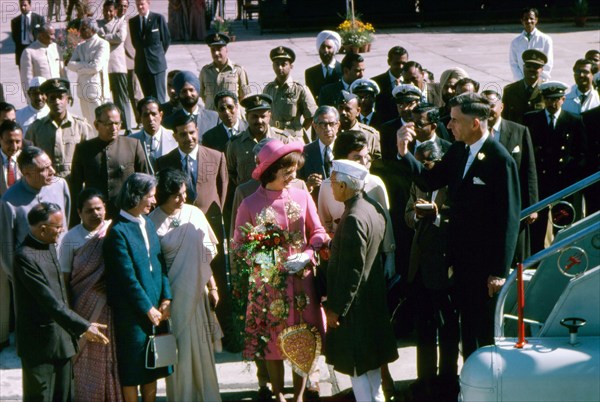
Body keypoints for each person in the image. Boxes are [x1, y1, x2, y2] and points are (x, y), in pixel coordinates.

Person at [396, 92, 521, 359]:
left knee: (484, 334)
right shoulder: (459, 150)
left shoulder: (500, 161)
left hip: (484, 267)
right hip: (460, 262)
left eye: (455, 120)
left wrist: (498, 272)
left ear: (475, 123)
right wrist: (404, 154)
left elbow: (508, 219)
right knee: (467, 332)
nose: (448, 126)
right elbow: (430, 181)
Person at [233, 139, 328, 402]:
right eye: (288, 171)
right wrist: (265, 258)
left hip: (301, 281)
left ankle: (298, 396)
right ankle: (278, 394)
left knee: (302, 338)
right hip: (269, 285)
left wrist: (308, 254)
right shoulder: (249, 204)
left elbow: (318, 231)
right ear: (272, 169)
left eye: (295, 170)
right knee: (272, 341)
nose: (293, 176)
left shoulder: (301, 195)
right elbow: (239, 246)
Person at [14, 202, 109, 402]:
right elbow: (49, 301)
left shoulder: (49, 245)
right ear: (42, 229)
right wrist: (84, 326)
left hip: (62, 340)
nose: (61, 231)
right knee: (41, 396)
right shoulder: (24, 256)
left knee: (65, 396)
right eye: (58, 227)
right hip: (39, 345)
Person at [325, 159, 398, 402]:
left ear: (345, 186)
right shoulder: (372, 207)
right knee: (373, 370)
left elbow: (351, 272)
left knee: (358, 371)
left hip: (355, 310)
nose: (331, 186)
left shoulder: (354, 217)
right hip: (373, 304)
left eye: (334, 182)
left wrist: (336, 309)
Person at [149, 168, 222, 402]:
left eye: (184, 193)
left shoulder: (194, 213)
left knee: (201, 349)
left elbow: (205, 255)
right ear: (163, 196)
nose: (183, 199)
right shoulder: (151, 222)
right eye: (176, 195)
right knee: (179, 351)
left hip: (198, 293)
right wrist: (163, 299)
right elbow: (154, 266)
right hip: (172, 297)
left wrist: (213, 287)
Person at [103, 173, 173, 402]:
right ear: (135, 196)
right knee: (133, 370)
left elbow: (160, 263)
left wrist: (166, 299)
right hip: (133, 314)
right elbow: (126, 278)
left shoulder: (148, 224)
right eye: (150, 197)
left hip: (155, 309)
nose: (154, 202)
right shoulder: (118, 231)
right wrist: (147, 308)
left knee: (152, 366)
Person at [403, 141, 459, 401]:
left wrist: (436, 214)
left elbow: (460, 217)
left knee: (447, 327)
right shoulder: (418, 183)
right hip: (420, 266)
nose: (422, 169)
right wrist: (416, 215)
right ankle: (424, 379)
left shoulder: (452, 184)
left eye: (426, 163)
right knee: (423, 327)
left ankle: (447, 379)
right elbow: (406, 213)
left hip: (444, 267)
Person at [58, 189, 123, 401]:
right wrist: (70, 314)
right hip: (82, 306)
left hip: (110, 305)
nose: (95, 214)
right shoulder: (70, 238)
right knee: (85, 357)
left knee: (110, 355)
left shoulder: (113, 230)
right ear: (79, 212)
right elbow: (65, 279)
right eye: (89, 210)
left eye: (99, 209)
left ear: (105, 208)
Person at [523, 82, 587, 254]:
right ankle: (535, 261)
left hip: (563, 182)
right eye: (549, 100)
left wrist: (572, 174)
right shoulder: (531, 120)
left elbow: (581, 152)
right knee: (537, 226)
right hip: (540, 181)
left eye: (557, 99)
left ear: (563, 99)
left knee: (563, 224)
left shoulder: (573, 120)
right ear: (543, 99)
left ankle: (565, 257)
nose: (552, 104)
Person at [483, 89, 538, 262]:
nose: (488, 110)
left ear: (502, 106)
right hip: (486, 204)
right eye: (483, 106)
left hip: (515, 204)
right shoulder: (475, 132)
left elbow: (529, 170)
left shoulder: (519, 131)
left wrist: (533, 206)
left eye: (492, 105)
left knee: (517, 253)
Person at [70, 103, 149, 223]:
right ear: (96, 125)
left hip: (127, 214)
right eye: (109, 124)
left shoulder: (133, 145)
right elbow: (75, 187)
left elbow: (145, 182)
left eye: (117, 123)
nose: (114, 128)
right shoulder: (84, 149)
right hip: (96, 217)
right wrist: (75, 221)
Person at [0, 147, 71, 280]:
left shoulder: (61, 185)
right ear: (26, 173)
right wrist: (18, 280)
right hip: (32, 275)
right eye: (44, 169)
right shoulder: (9, 202)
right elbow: (6, 249)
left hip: (63, 268)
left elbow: (65, 225)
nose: (52, 171)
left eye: (51, 166)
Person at [26, 78, 94, 179]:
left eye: (60, 97)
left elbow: (91, 157)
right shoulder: (36, 128)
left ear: (68, 99)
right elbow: (28, 157)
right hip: (46, 181)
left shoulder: (81, 126)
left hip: (75, 181)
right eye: (52, 98)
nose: (57, 102)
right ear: (46, 100)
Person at [226, 94, 291, 188]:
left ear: (270, 116)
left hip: (275, 197)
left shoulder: (283, 139)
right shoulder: (235, 143)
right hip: (247, 198)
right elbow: (231, 172)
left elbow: (292, 168)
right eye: (254, 117)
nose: (259, 121)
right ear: (246, 117)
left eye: (263, 116)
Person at [263, 46, 317, 142]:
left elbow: (311, 115)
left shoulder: (300, 89)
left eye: (284, 64)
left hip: (293, 137)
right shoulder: (268, 89)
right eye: (276, 64)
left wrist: (300, 132)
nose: (280, 68)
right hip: (273, 136)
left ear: (291, 66)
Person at [67, 18, 111, 125]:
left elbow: (96, 67)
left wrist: (80, 68)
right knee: (87, 123)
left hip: (96, 91)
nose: (80, 32)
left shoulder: (102, 44)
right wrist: (86, 67)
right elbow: (70, 64)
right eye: (80, 29)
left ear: (92, 29)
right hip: (82, 90)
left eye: (83, 29)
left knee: (99, 122)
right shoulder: (80, 46)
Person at [98, 0, 132, 133]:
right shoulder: (98, 24)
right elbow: (96, 35)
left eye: (111, 11)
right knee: (103, 98)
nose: (108, 13)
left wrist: (103, 36)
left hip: (117, 66)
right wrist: (110, 37)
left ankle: (127, 126)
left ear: (115, 11)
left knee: (122, 98)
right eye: (105, 10)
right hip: (102, 67)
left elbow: (120, 37)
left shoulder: (121, 22)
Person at [129, 0, 171, 103]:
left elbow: (166, 40)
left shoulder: (158, 18)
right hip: (141, 66)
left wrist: (157, 55)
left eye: (142, 4)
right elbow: (135, 43)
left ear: (148, 4)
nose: (140, 7)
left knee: (159, 99)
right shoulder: (133, 22)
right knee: (148, 100)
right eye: (138, 4)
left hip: (156, 65)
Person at [298, 105, 339, 202]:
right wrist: (308, 184)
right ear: (315, 126)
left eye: (332, 124)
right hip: (316, 205)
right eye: (323, 124)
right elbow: (297, 186)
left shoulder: (346, 149)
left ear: (338, 125)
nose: (328, 128)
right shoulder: (305, 152)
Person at [199, 33, 250, 111]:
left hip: (232, 116)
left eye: (219, 49)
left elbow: (243, 96)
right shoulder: (205, 71)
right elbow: (202, 95)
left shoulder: (238, 70)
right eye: (213, 50)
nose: (216, 53)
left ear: (226, 50)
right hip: (212, 116)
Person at [130, 96, 177, 175]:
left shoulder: (174, 137)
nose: (150, 119)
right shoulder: (132, 141)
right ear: (140, 117)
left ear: (161, 115)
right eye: (146, 115)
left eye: (154, 114)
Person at [166, 71, 219, 138]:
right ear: (178, 94)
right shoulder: (169, 122)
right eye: (184, 91)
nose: (188, 94)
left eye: (191, 90)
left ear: (197, 91)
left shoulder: (214, 118)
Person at [502, 49, 547, 125]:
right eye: (528, 66)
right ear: (523, 67)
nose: (531, 69)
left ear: (542, 70)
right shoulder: (510, 90)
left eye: (536, 67)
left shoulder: (546, 90)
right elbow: (504, 118)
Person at [509, 7, 553, 81]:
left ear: (536, 20)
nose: (529, 21)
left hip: (540, 82)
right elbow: (514, 64)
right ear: (522, 21)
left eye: (531, 18)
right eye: (526, 19)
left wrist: (540, 80)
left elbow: (548, 63)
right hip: (521, 83)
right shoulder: (515, 42)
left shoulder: (546, 40)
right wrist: (521, 81)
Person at [336, 91, 381, 161]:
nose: (343, 112)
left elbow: (378, 162)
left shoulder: (370, 135)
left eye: (347, 109)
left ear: (358, 111)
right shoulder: (331, 133)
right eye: (341, 108)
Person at [19, 24, 63, 93]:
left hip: (57, 92)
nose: (54, 37)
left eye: (54, 34)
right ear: (41, 35)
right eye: (51, 34)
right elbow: (27, 79)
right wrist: (30, 98)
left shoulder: (56, 48)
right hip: (41, 94)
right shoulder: (29, 52)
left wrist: (68, 93)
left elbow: (63, 72)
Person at [372, 46, 409, 124]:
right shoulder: (376, 82)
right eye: (397, 63)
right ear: (389, 62)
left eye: (404, 63)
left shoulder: (410, 82)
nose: (401, 67)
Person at [304, 30, 343, 105]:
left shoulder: (343, 69)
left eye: (329, 47)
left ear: (334, 49)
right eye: (323, 47)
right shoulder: (310, 73)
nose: (325, 50)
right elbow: (309, 99)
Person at [11, 0, 45, 68]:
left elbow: (43, 33)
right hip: (21, 50)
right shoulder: (15, 21)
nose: (23, 7)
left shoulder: (39, 19)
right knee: (24, 75)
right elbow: (14, 37)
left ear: (30, 5)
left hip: (35, 48)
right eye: (21, 6)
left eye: (25, 5)